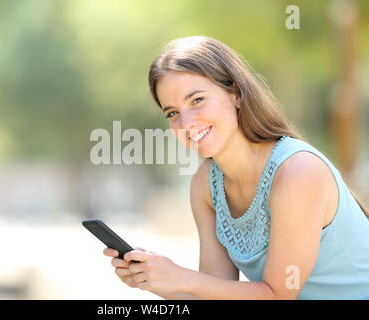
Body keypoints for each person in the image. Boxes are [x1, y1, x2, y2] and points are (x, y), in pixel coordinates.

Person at [103, 36, 369, 299]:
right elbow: (215, 293)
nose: (186, 122)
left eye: (197, 100)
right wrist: (157, 280)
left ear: (236, 94)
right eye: (172, 113)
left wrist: (181, 277)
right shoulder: (206, 185)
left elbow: (277, 296)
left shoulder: (297, 171)